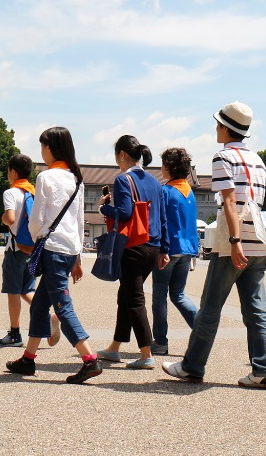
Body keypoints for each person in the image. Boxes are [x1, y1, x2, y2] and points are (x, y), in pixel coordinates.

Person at [163, 101, 266, 390]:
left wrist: (234, 240)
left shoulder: (222, 157)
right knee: (256, 309)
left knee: (210, 307)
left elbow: (229, 201)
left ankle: (192, 366)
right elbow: (254, 202)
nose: (215, 128)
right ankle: (264, 368)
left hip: (234, 240)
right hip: (259, 240)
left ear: (226, 128)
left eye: (218, 124)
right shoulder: (258, 161)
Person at [6, 127, 102, 384]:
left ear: (51, 148)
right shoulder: (76, 179)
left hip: (52, 249)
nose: (41, 151)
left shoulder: (46, 178)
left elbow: (36, 219)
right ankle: (28, 359)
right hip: (70, 248)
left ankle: (90, 360)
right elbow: (79, 220)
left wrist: (35, 237)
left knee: (62, 306)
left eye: (43, 146)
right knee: (39, 306)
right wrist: (78, 256)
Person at [98, 135, 169, 369]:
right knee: (126, 296)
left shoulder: (122, 180)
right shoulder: (155, 182)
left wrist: (103, 208)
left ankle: (146, 353)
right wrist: (164, 249)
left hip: (133, 246)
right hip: (153, 245)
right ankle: (115, 347)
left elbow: (125, 212)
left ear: (121, 155)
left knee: (135, 299)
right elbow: (163, 217)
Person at [150, 147, 199, 356]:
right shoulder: (189, 191)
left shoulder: (165, 191)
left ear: (168, 167)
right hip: (187, 250)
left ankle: (160, 342)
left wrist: (161, 249)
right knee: (178, 294)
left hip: (168, 249)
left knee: (159, 296)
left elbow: (161, 223)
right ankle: (202, 329)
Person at [0, 154, 39, 347]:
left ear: (13, 172)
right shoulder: (35, 193)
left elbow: (11, 218)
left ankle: (14, 334)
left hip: (15, 249)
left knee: (14, 291)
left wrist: (3, 218)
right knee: (27, 289)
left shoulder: (11, 193)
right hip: (32, 248)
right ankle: (48, 313)